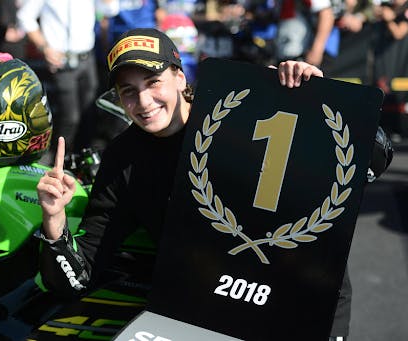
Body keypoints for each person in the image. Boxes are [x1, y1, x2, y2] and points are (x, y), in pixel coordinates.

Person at [35, 27, 373, 340]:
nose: (144, 102)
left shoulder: (243, 107)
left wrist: (316, 100)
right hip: (209, 308)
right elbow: (77, 278)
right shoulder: (122, 158)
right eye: (129, 91)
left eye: (153, 82)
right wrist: (54, 219)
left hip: (303, 296)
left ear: (180, 77)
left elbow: (371, 162)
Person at [17, 0, 99, 160]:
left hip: (88, 57)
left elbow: (110, 9)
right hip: (62, 61)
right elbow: (25, 16)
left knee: (90, 114)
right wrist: (45, 48)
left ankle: (85, 163)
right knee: (70, 118)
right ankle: (61, 162)